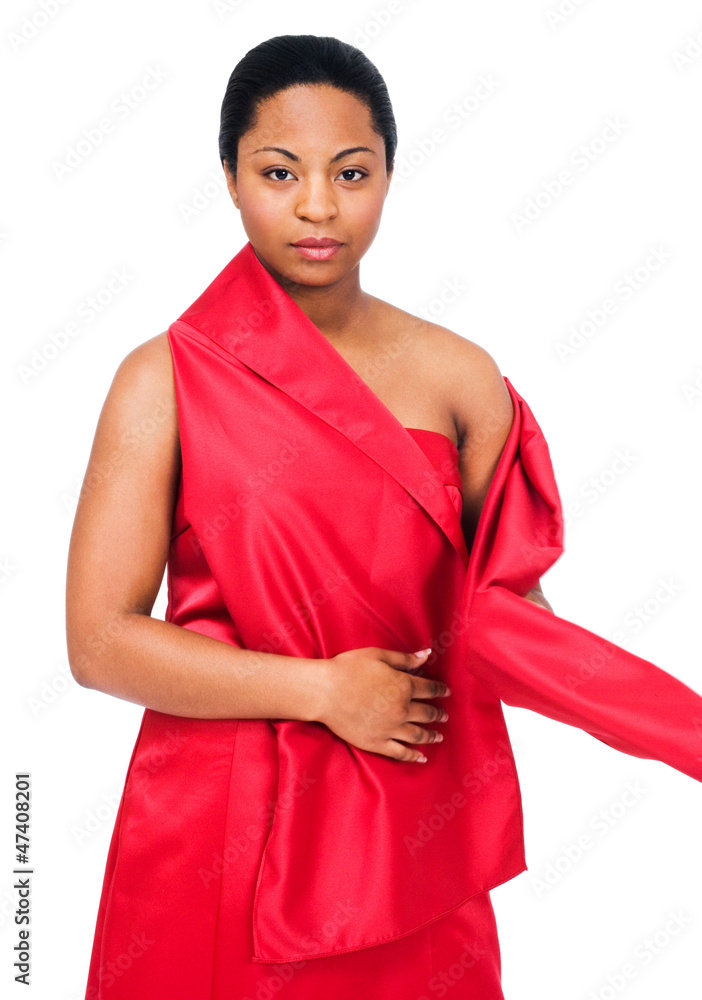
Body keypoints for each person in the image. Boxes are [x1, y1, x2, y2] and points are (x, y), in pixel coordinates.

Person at [66, 34, 700, 1000]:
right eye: (280, 172)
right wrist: (324, 690)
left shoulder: (459, 376)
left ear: (390, 177)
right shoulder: (164, 379)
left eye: (351, 173)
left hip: (410, 818)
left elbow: (510, 623)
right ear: (230, 179)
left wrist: (683, 730)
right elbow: (99, 642)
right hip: (219, 823)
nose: (318, 207)